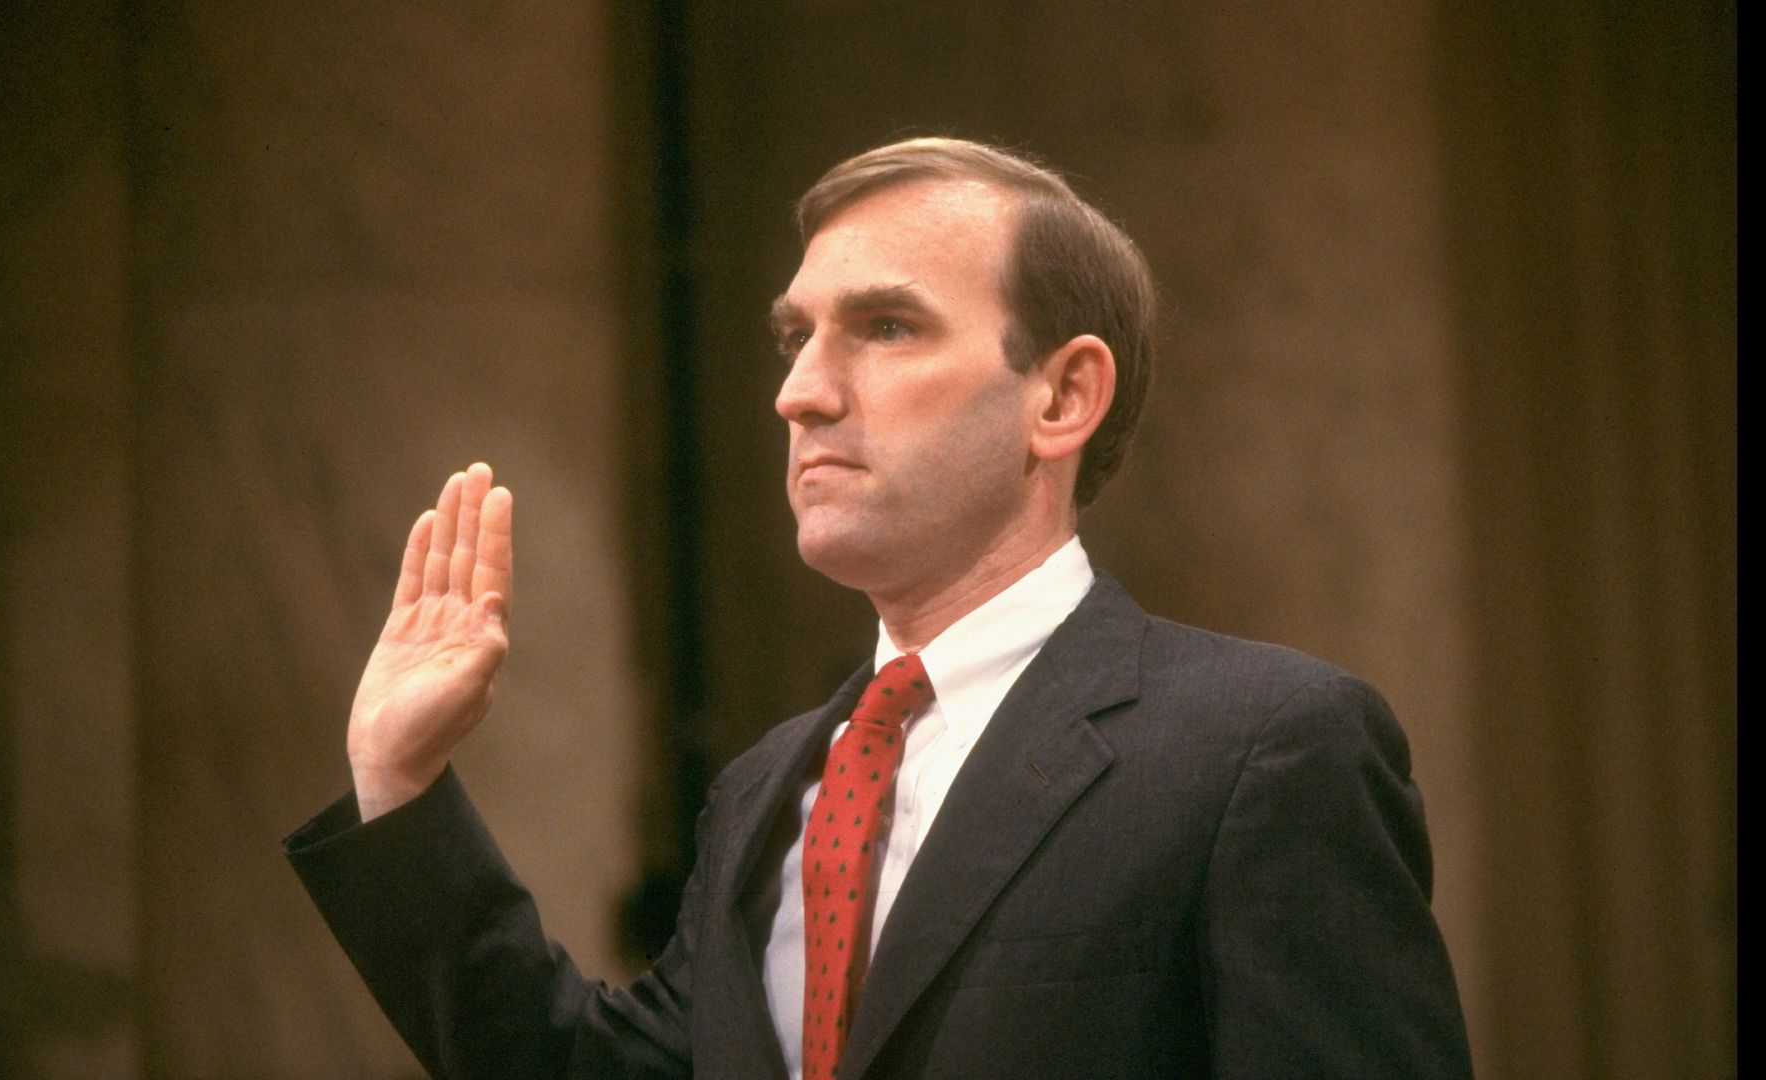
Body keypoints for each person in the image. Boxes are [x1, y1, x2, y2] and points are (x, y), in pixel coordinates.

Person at [285, 137, 1474, 1079]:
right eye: (796, 339)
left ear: (1061, 396)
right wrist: (400, 787)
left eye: (886, 327)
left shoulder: (1262, 748)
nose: (799, 394)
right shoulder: (765, 793)